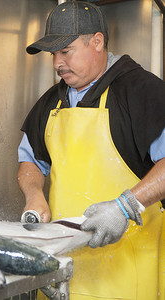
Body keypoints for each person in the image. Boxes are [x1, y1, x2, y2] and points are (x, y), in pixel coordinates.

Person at [17, 1, 165, 299]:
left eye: (65, 51)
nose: (57, 63)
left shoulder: (143, 91)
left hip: (129, 276)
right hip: (66, 275)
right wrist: (34, 196)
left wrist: (126, 207)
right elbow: (30, 161)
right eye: (53, 54)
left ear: (97, 42)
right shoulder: (51, 102)